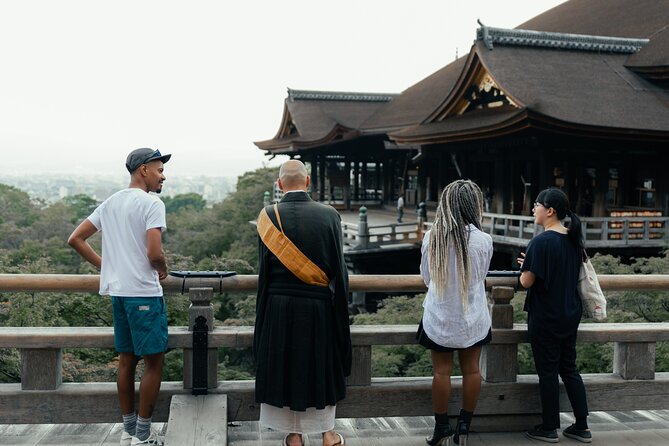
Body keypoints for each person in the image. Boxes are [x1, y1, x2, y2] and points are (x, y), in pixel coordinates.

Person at [68, 148, 171, 446]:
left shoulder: (111, 202)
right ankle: (143, 435)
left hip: (118, 293)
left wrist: (107, 266)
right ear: (143, 170)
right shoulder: (152, 203)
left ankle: (129, 431)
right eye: (158, 169)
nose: (163, 175)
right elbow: (154, 253)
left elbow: (75, 238)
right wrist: (163, 268)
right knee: (154, 361)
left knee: (126, 360)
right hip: (143, 293)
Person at [254, 160, 352, 446]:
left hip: (278, 307)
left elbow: (263, 275)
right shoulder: (330, 215)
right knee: (319, 366)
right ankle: (328, 434)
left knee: (285, 366)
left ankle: (294, 436)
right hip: (318, 308)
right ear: (308, 183)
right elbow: (339, 272)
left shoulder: (268, 216)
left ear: (280, 184)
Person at [416, 179, 493, 446]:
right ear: (475, 206)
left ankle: (441, 428)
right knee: (472, 370)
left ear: (445, 205)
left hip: (440, 316)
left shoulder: (432, 237)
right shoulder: (484, 240)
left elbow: (427, 278)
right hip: (473, 316)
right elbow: (481, 277)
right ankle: (464, 426)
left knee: (441, 372)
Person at [517, 188, 591, 443]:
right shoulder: (573, 239)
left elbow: (526, 282)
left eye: (537, 204)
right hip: (570, 314)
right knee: (569, 368)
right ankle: (581, 425)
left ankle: (549, 427)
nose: (533, 209)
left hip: (546, 316)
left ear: (549, 210)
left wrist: (525, 268)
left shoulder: (540, 241)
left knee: (548, 372)